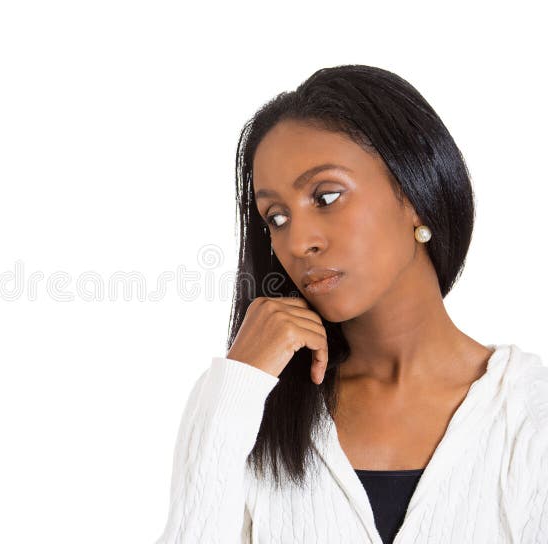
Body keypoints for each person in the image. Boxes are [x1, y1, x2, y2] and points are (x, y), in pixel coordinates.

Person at [154, 64, 547, 543]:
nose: (297, 242)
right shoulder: (249, 406)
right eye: (276, 217)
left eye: (326, 196)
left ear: (415, 192)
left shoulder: (529, 410)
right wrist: (237, 383)